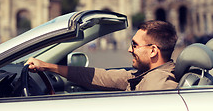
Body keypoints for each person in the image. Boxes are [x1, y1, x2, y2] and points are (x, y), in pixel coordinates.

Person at [25, 20, 178, 91]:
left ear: (153, 51)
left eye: (135, 45)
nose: (129, 50)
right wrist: (47, 66)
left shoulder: (159, 85)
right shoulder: (145, 75)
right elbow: (100, 76)